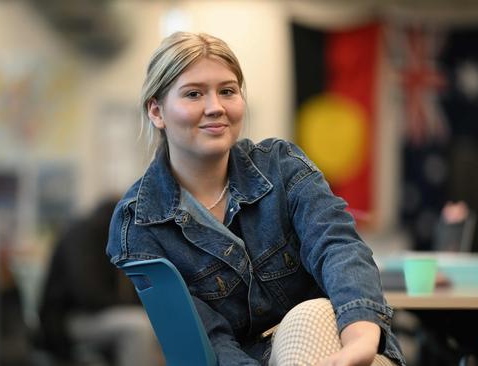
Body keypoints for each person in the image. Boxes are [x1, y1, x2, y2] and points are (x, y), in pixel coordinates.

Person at [106, 32, 405, 366]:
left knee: (312, 316)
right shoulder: (139, 222)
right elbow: (207, 340)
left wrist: (360, 341)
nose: (215, 107)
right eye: (193, 94)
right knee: (307, 320)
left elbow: (338, 246)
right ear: (156, 111)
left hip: (345, 343)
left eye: (227, 91)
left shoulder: (282, 166)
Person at [39, 198, 157, 366]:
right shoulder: (83, 236)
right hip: (68, 319)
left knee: (155, 325)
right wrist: (131, 306)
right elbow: (89, 295)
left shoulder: (112, 237)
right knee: (139, 328)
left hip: (94, 313)